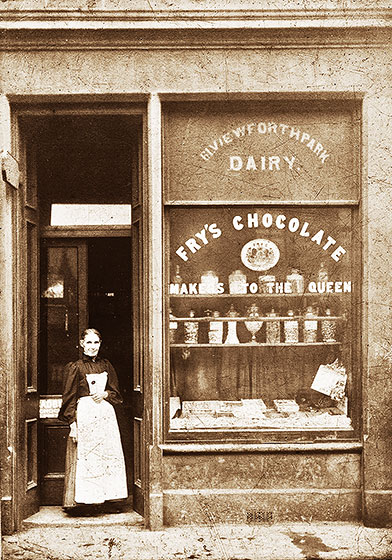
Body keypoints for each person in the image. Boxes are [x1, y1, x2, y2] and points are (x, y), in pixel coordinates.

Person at [58, 328, 128, 514]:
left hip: (105, 416)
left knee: (107, 456)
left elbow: (117, 394)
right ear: (82, 344)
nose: (92, 347)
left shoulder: (107, 366)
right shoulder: (76, 367)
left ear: (100, 344)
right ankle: (88, 502)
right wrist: (73, 425)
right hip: (86, 415)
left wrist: (105, 393)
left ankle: (108, 499)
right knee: (90, 457)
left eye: (96, 343)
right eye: (88, 343)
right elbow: (69, 399)